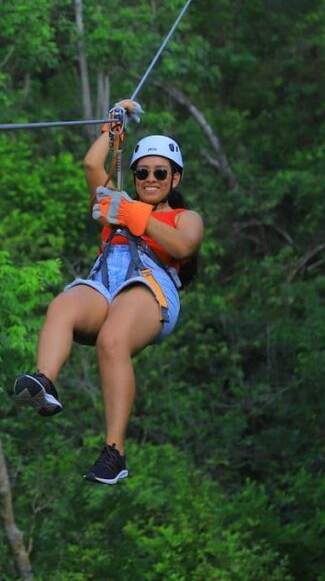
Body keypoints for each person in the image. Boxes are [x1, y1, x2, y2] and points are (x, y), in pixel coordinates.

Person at [11, 112, 205, 485]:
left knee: (112, 339)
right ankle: (44, 382)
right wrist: (111, 128)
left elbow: (185, 246)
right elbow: (90, 163)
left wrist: (135, 214)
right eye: (142, 173)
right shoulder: (116, 205)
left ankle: (114, 453)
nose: (150, 179)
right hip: (105, 283)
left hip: (152, 285)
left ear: (174, 178)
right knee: (62, 306)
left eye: (160, 173)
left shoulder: (183, 217)